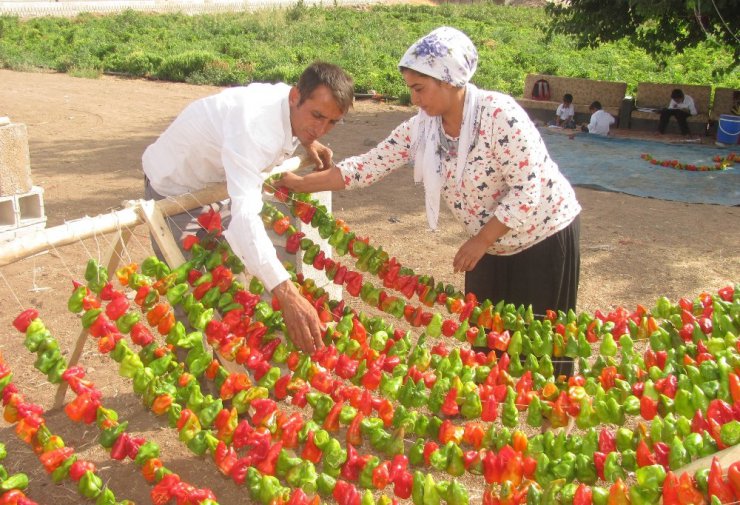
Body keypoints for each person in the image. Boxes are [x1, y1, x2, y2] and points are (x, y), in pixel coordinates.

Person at [281, 27, 581, 376]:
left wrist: (481, 240)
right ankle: (489, 420)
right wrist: (299, 184)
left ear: (450, 80)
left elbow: (528, 188)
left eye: (419, 89)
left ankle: (551, 415)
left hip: (540, 238)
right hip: (488, 246)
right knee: (487, 341)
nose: (414, 100)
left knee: (542, 344)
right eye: (411, 89)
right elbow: (368, 165)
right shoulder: (423, 127)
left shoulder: (500, 116)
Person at [142, 61, 354, 354]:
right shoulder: (255, 127)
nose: (322, 128)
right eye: (317, 116)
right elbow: (245, 217)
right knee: (193, 300)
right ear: (296, 96)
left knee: (235, 290)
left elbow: (296, 121)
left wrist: (308, 141)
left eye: (331, 122)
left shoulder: (289, 106)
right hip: (175, 193)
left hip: (218, 187)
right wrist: (287, 294)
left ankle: (236, 377)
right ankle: (201, 392)